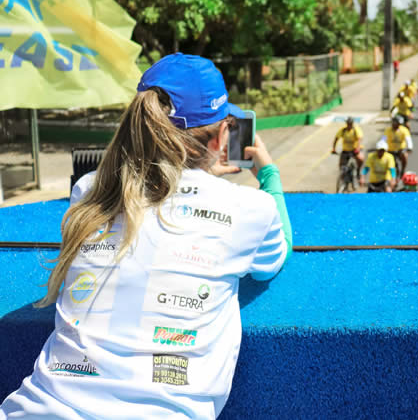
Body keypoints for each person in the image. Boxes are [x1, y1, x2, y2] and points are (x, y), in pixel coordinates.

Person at [0, 53, 291, 420]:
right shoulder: (250, 209)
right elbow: (276, 257)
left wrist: (193, 176)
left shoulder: (90, 190)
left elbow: (155, 196)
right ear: (222, 137)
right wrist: (268, 174)